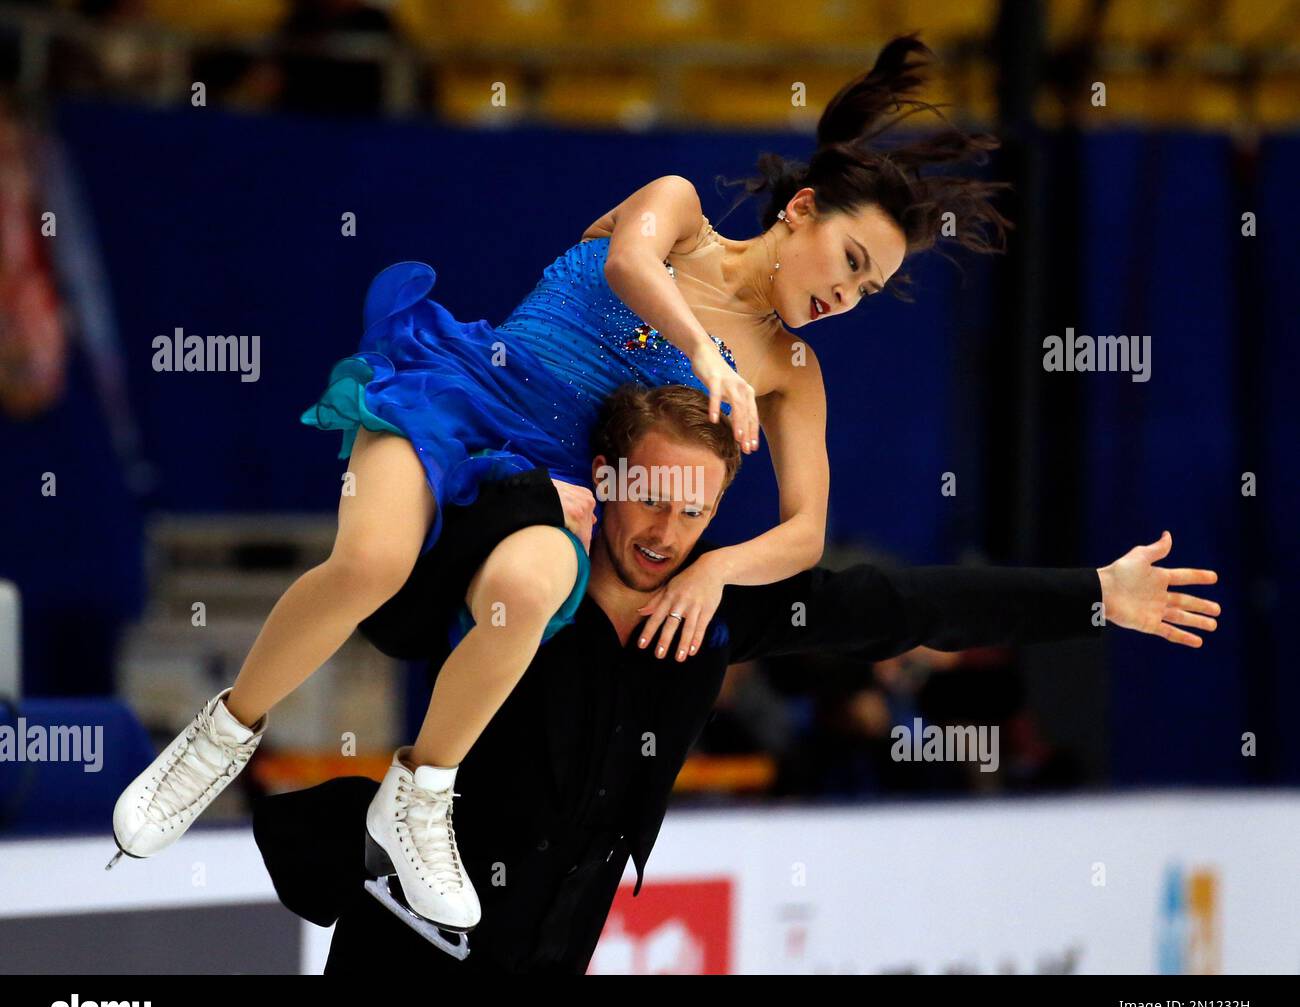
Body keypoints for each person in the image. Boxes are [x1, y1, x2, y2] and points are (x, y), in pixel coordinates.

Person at [112, 33, 1017, 932]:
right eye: (850, 262)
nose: (846, 297)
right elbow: (627, 262)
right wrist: (705, 353)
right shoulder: (681, 209)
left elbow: (807, 533)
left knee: (529, 591)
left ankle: (420, 792)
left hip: (545, 485)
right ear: (803, 210)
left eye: (871, 291)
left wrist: (712, 571)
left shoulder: (792, 370)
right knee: (371, 564)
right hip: (462, 394)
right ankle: (223, 735)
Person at [252, 384, 1221, 974]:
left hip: (551, 947)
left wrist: (1093, 592)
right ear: (606, 477)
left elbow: (908, 604)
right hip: (408, 940)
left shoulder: (715, 607)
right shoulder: (527, 569)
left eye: (693, 510)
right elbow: (391, 608)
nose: (666, 531)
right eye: (650, 496)